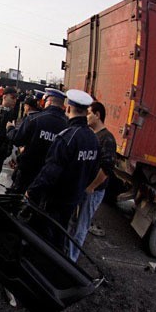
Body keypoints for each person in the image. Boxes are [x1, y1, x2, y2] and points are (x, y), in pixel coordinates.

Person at [26, 89, 100, 251]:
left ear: (68, 108)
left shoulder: (67, 137)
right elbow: (93, 171)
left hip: (55, 201)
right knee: (59, 237)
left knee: (44, 241)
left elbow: (50, 173)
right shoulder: (93, 138)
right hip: (73, 200)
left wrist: (32, 192)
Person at [67, 100, 117, 261]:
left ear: (97, 115)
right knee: (73, 224)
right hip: (84, 187)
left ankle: (71, 260)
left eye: (88, 113)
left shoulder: (107, 138)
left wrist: (92, 187)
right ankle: (66, 254)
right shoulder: (93, 135)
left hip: (93, 191)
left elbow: (107, 169)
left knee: (81, 226)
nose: (86, 117)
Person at [6, 88, 68, 194]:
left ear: (48, 101)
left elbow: (17, 140)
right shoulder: (68, 125)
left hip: (27, 172)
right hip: (49, 178)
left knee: (16, 202)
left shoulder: (34, 119)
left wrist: (10, 129)